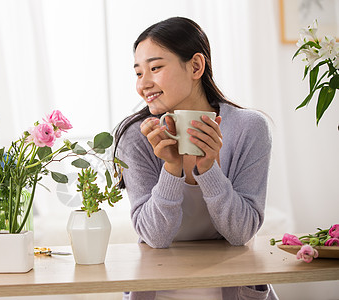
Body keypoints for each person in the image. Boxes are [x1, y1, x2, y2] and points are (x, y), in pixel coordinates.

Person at [114, 17, 278, 300]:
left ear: (196, 66)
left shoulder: (249, 128)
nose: (144, 84)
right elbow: (155, 237)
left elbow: (241, 232)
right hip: (158, 291)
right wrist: (172, 168)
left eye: (155, 68)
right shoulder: (135, 137)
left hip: (234, 290)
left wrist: (208, 169)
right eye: (138, 73)